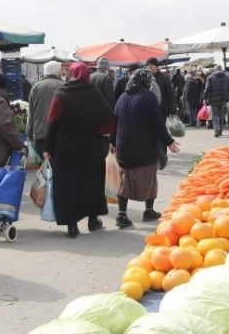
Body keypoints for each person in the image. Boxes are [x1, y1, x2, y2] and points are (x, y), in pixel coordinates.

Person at [44, 62, 115, 237]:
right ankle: (93, 220)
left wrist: (48, 147)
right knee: (91, 183)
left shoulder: (61, 94)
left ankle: (72, 226)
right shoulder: (93, 93)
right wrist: (99, 133)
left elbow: (52, 123)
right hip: (90, 147)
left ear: (70, 74)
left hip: (65, 148)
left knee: (69, 186)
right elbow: (109, 119)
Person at [112, 69, 180, 226]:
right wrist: (169, 141)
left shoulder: (122, 97)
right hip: (144, 149)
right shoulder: (148, 98)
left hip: (124, 148)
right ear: (146, 82)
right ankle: (148, 211)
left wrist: (113, 142)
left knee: (125, 181)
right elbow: (157, 124)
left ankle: (121, 216)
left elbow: (114, 122)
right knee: (149, 180)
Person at [27, 60, 64, 156]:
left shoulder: (36, 87)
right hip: (60, 135)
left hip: (40, 134)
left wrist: (29, 133)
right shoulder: (64, 86)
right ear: (59, 72)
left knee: (45, 167)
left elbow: (31, 113)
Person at [202, 65, 229, 137]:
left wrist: (204, 98)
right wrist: (226, 94)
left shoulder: (210, 77)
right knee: (221, 115)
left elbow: (207, 89)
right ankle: (221, 130)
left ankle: (217, 130)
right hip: (223, 99)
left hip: (213, 99)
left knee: (215, 114)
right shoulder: (227, 77)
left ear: (214, 70)